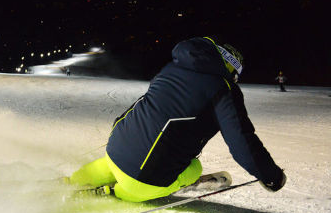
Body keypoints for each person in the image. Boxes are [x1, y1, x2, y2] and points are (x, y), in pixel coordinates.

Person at [68, 36, 286, 202]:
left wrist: (119, 129)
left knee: (110, 166)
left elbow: (142, 104)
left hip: (116, 147)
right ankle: (111, 192)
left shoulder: (173, 68)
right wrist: (271, 176)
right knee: (194, 168)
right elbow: (242, 142)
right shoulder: (224, 89)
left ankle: (68, 182)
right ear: (232, 69)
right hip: (143, 176)